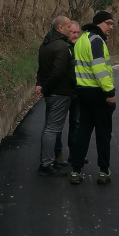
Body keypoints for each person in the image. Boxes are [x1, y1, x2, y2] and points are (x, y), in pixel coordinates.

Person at [70, 11, 116, 186]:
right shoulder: (96, 41)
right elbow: (99, 70)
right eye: (109, 23)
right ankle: (104, 171)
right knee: (103, 134)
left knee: (83, 132)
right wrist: (110, 93)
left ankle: (76, 170)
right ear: (99, 23)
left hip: (82, 92)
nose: (111, 27)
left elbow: (76, 67)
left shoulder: (81, 40)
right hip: (98, 93)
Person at [35, 16, 75, 177]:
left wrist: (41, 85)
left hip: (51, 93)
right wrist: (45, 88)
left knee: (49, 127)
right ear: (60, 28)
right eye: (67, 26)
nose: (70, 28)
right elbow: (57, 73)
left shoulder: (45, 45)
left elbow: (41, 69)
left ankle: (47, 161)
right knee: (52, 129)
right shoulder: (62, 47)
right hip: (60, 93)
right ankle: (46, 164)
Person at [54, 20, 82, 166]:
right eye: (72, 32)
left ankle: (74, 153)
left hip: (77, 92)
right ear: (66, 32)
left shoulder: (80, 48)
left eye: (77, 32)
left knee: (76, 123)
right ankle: (58, 154)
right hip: (64, 92)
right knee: (58, 124)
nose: (75, 35)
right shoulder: (62, 48)